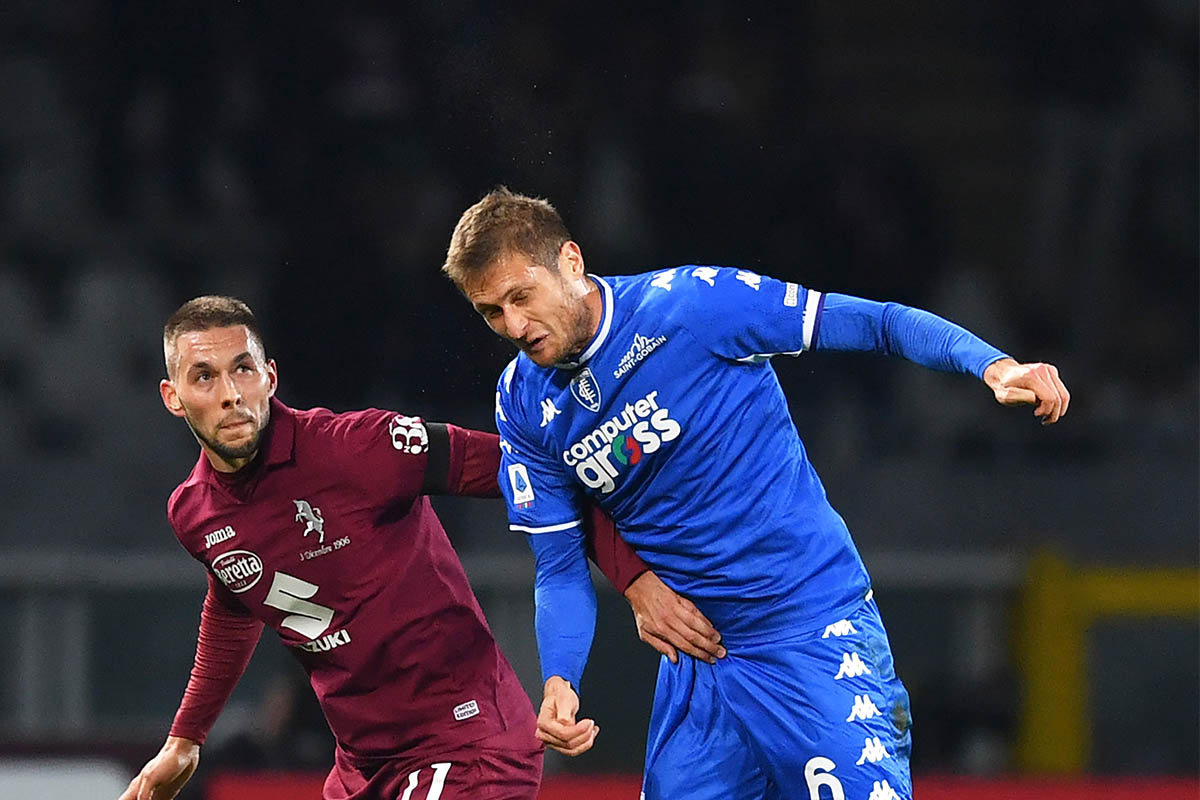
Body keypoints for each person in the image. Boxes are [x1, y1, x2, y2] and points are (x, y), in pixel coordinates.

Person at [442, 188, 1070, 800]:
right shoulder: (521, 401)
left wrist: (993, 365)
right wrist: (560, 681)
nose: (513, 325)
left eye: (521, 296)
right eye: (491, 312)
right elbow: (558, 565)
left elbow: (876, 323)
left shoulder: (694, 305)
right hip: (701, 665)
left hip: (809, 631)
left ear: (571, 262)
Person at [119, 296, 717, 800]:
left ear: (270, 377)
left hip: (466, 740)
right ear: (173, 396)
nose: (230, 393)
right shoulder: (193, 511)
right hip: (364, 766)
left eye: (243, 369)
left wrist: (635, 580)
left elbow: (541, 476)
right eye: (205, 377)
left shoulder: (357, 448)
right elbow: (234, 602)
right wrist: (186, 739)